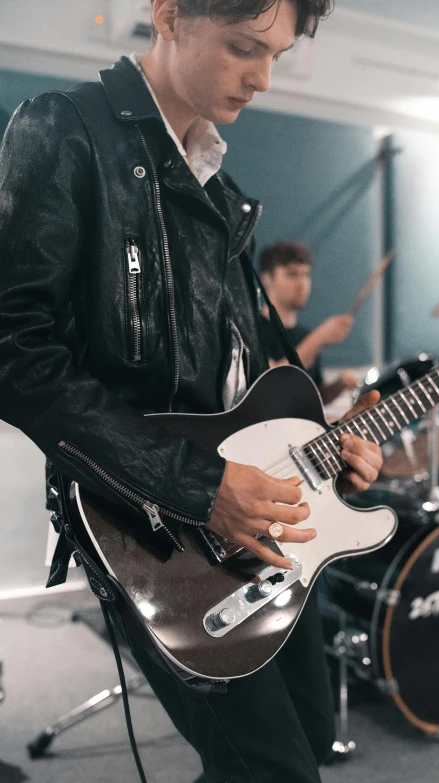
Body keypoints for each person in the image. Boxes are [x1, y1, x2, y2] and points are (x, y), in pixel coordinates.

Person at [0, 2, 383, 781]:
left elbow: (253, 385)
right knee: (271, 767)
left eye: (277, 55)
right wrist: (200, 486)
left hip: (248, 517)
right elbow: (14, 354)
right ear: (168, 12)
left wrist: (330, 446)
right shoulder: (62, 130)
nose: (265, 78)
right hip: (145, 520)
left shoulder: (222, 190)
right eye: (246, 49)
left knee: (307, 738)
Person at [259, 241, 359, 404]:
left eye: (306, 274)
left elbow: (316, 397)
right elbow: (272, 384)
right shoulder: (251, 329)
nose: (302, 283)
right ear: (267, 279)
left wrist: (340, 384)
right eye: (292, 274)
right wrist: (320, 337)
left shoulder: (305, 335)